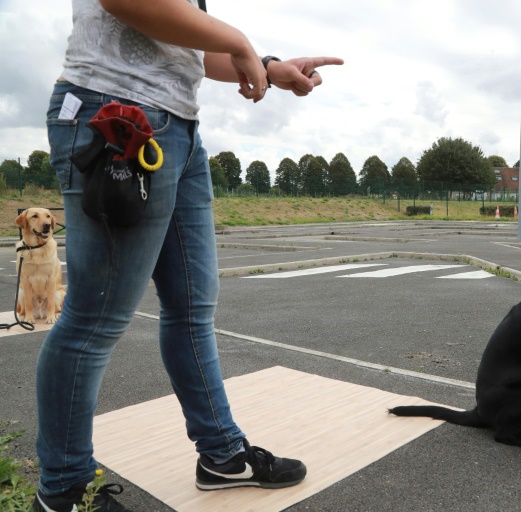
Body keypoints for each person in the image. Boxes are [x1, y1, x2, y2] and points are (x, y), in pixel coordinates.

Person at [33, 1, 343, 511]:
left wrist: (265, 66)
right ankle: (64, 493)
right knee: (93, 320)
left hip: (178, 127)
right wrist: (240, 41)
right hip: (114, 115)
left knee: (192, 307)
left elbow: (187, 49)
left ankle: (221, 455)